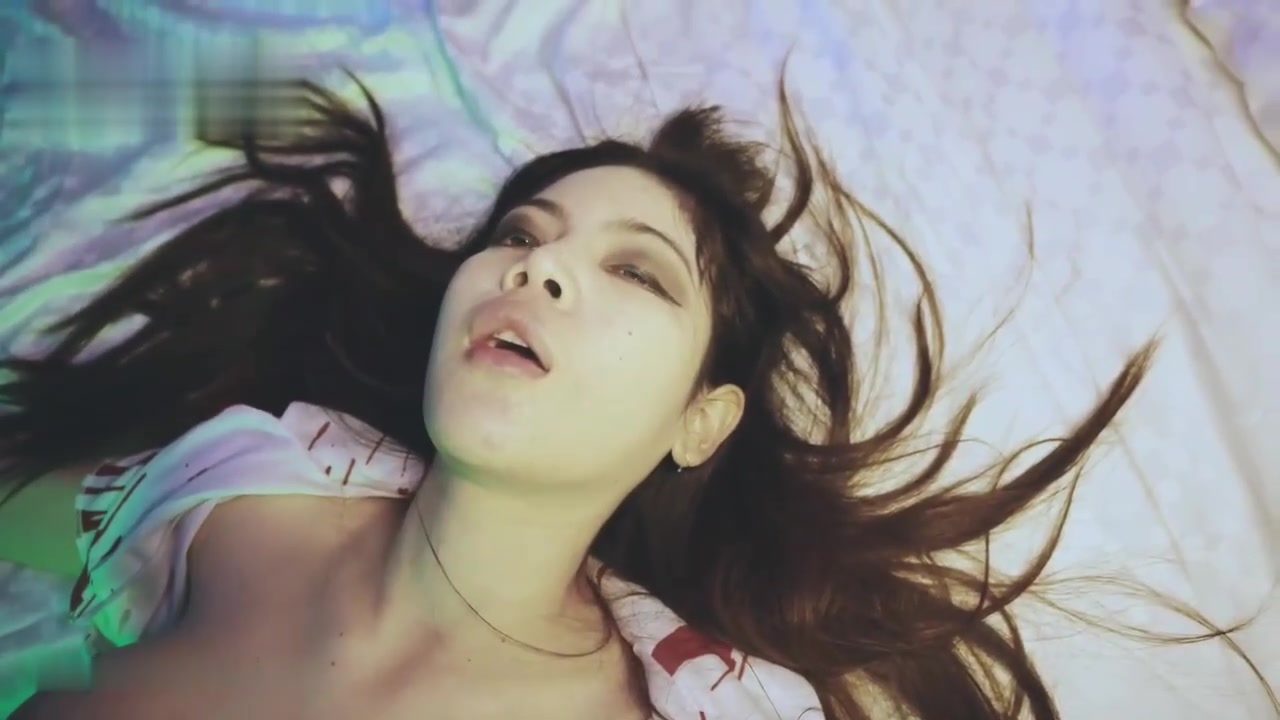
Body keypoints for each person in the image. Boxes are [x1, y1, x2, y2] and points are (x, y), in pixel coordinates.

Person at [0, 74, 1270, 719]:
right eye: (518, 233)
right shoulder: (238, 481)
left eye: (635, 272)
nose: (536, 267)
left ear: (697, 422)